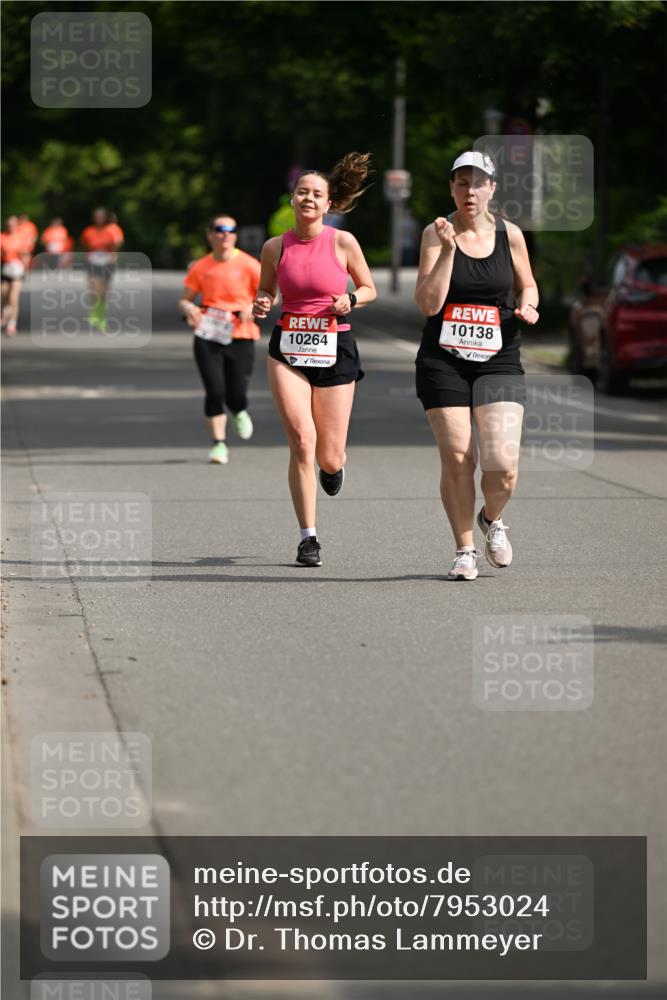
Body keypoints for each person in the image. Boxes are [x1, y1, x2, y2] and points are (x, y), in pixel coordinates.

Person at [414, 151, 539, 581]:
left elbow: (528, 285)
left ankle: (491, 518)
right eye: (461, 182)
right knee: (458, 457)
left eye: (478, 182)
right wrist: (448, 252)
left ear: (492, 188)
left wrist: (528, 306)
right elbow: (429, 304)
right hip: (443, 361)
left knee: (502, 467)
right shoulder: (436, 232)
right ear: (451, 187)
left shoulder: (511, 234)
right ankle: (464, 548)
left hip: (499, 358)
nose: (470, 191)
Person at [252, 152, 377, 567]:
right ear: (292, 200)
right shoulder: (274, 247)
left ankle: (333, 467)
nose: (308, 198)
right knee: (302, 442)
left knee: (329, 454)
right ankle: (308, 537)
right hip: (289, 347)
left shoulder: (342, 242)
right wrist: (262, 302)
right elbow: (267, 291)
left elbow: (369, 287)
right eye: (302, 192)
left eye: (316, 194)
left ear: (328, 204)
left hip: (335, 347)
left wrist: (352, 298)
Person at [179, 215, 261, 464]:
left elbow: (269, 294)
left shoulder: (249, 264)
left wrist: (254, 305)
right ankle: (218, 444)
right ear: (210, 234)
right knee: (215, 390)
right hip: (208, 333)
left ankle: (238, 409)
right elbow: (185, 299)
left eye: (230, 230)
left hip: (240, 334)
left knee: (236, 392)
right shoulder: (201, 266)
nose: (225, 234)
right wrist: (188, 309)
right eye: (219, 229)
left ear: (235, 235)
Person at [79, 207, 124, 331]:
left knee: (103, 292)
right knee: (94, 289)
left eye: (101, 217)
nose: (99, 219)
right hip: (93, 262)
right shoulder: (88, 231)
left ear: (105, 218)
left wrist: (113, 256)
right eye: (97, 217)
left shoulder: (111, 231)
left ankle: (101, 317)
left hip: (107, 263)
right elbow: (84, 245)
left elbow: (117, 245)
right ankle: (93, 315)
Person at [1, 216, 27, 336]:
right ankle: (5, 314)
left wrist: (25, 267)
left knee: (13, 297)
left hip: (17, 270)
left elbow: (25, 254)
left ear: (16, 225)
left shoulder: (21, 237)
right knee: (3, 293)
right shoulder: (2, 237)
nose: (10, 227)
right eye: (8, 224)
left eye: (12, 224)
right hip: (5, 269)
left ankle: (12, 325)